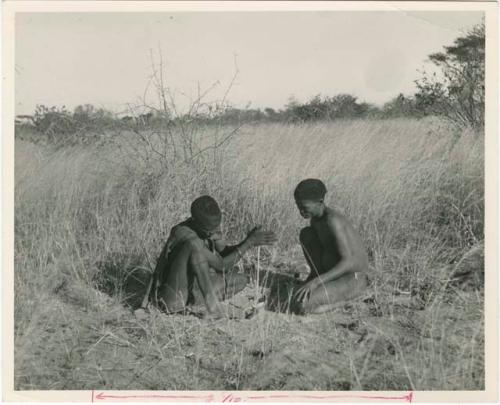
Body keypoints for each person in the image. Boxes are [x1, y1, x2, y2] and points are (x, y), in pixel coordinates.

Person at [141, 195, 277, 319]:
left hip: (195, 289)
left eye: (215, 228)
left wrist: (247, 240)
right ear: (195, 221)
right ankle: (211, 306)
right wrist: (249, 243)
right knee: (193, 246)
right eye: (209, 230)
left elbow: (224, 253)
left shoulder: (206, 228)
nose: (213, 232)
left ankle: (197, 303)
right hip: (173, 297)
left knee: (241, 280)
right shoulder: (183, 233)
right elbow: (221, 265)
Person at [292, 179, 369, 314]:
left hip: (353, 278)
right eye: (298, 206)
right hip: (333, 275)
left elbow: (348, 262)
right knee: (306, 234)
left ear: (320, 202)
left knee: (303, 305)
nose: (301, 211)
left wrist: (316, 282)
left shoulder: (332, 221)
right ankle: (317, 278)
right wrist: (315, 277)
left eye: (304, 207)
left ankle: (349, 300)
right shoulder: (315, 219)